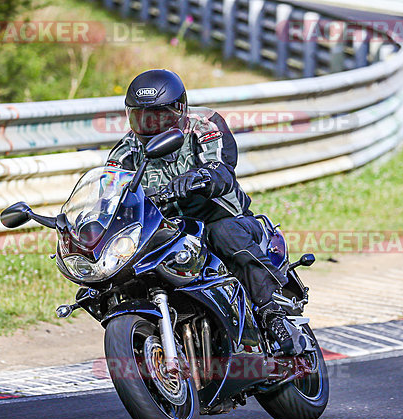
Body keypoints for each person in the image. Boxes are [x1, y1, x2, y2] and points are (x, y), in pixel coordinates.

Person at [105, 69, 305, 356]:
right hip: (165, 230)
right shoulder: (125, 152)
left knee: (225, 235)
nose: (152, 124)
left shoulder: (204, 124)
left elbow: (222, 165)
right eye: (142, 117)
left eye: (160, 115)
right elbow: (111, 191)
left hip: (219, 217)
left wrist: (201, 177)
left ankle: (274, 314)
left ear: (180, 109)